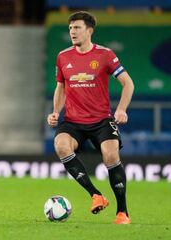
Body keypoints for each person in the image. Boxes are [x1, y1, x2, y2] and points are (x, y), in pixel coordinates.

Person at [47, 11, 134, 224]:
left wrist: (121, 109)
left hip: (102, 119)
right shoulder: (63, 56)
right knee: (61, 145)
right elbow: (61, 87)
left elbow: (128, 83)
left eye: (77, 28)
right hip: (74, 121)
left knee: (111, 156)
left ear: (89, 30)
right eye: (70, 28)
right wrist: (56, 112)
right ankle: (96, 195)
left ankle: (122, 212)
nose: (72, 32)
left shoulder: (105, 55)